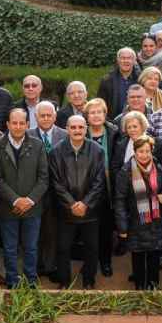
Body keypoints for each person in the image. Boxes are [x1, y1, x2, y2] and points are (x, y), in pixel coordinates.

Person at [0, 108, 49, 288]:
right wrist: (16, 200)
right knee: (9, 248)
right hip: (8, 208)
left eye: (21, 123)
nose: (17, 126)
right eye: (14, 123)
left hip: (33, 207)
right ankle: (12, 281)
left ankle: (31, 280)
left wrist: (29, 200)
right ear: (7, 124)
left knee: (31, 247)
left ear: (27, 124)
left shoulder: (38, 145)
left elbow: (44, 177)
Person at [49, 115, 107, 289]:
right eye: (73, 127)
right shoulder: (56, 151)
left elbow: (99, 182)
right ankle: (64, 281)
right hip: (65, 211)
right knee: (63, 248)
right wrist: (71, 204)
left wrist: (85, 204)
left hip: (91, 210)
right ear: (67, 129)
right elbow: (55, 182)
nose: (77, 131)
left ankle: (89, 280)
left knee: (91, 247)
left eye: (80, 127)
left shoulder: (97, 150)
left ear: (85, 128)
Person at [114, 135, 162, 290]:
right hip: (135, 220)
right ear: (135, 152)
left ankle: (153, 285)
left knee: (154, 255)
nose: (144, 155)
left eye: (147, 151)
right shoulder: (125, 171)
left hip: (156, 220)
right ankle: (139, 287)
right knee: (138, 255)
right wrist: (122, 227)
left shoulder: (158, 168)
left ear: (152, 151)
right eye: (141, 151)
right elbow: (119, 200)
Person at [30, 100, 66, 279]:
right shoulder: (27, 135)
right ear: (35, 117)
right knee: (34, 232)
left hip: (58, 193)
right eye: (41, 115)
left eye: (49, 115)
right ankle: (35, 267)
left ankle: (51, 266)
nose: (45, 118)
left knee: (54, 232)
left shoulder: (65, 135)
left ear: (55, 116)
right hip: (33, 193)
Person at [85, 98, 120, 278]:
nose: (96, 116)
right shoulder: (81, 133)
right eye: (92, 112)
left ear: (105, 114)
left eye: (99, 112)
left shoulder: (114, 132)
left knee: (106, 228)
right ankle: (89, 262)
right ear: (87, 116)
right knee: (89, 228)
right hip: (86, 188)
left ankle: (105, 262)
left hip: (108, 186)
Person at [111, 110, 162, 177]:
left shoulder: (157, 143)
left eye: (135, 126)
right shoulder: (121, 145)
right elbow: (115, 168)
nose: (132, 130)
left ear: (142, 126)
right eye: (129, 127)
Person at [97, 48, 140, 122]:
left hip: (136, 121)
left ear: (134, 61)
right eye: (123, 58)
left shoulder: (140, 80)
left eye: (129, 58)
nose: (126, 61)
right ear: (118, 60)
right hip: (113, 122)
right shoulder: (107, 80)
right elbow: (100, 104)